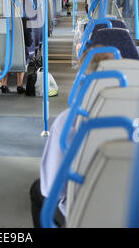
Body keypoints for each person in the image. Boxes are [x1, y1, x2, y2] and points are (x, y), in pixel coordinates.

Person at [30, 45, 115, 228]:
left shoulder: (69, 122)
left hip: (82, 210)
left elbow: (51, 185)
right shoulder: (135, 115)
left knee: (37, 190)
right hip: (128, 206)